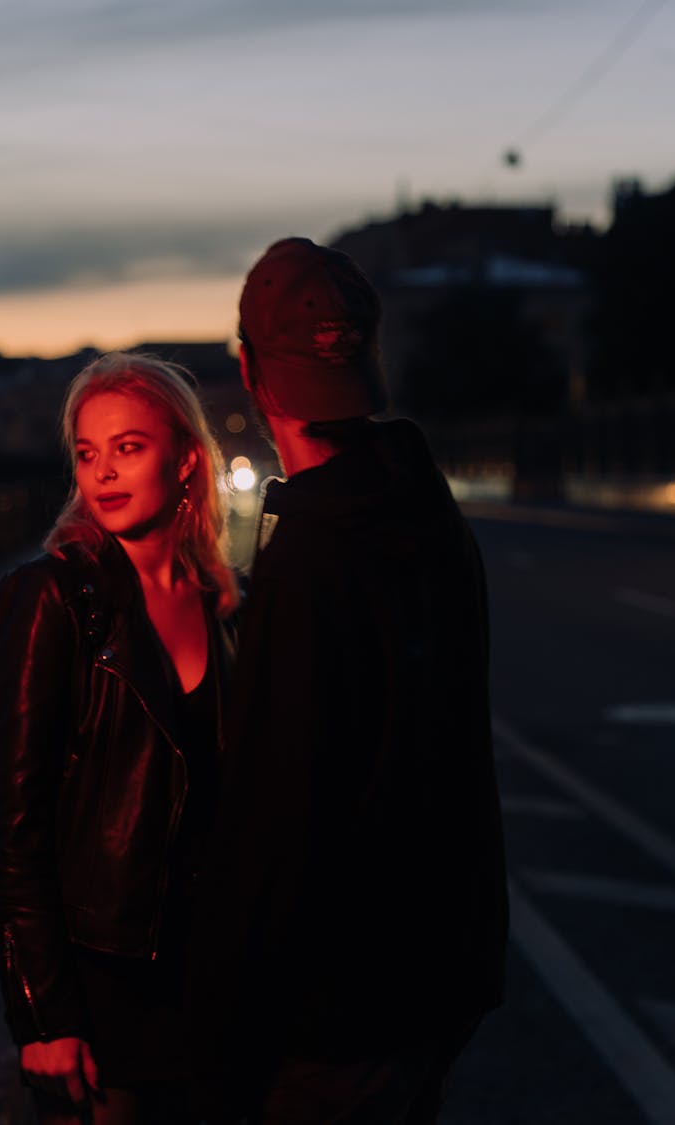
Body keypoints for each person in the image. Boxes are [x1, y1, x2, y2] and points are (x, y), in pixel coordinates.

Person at [190, 238, 509, 1123]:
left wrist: (221, 1024)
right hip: (442, 970)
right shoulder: (430, 514)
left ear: (251, 372)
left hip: (334, 1008)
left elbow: (278, 814)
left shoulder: (312, 558)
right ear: (369, 360)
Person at [0, 352, 239, 1125]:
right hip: (100, 987)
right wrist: (43, 1014)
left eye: (128, 447)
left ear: (185, 458)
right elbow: (13, 828)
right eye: (88, 453)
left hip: (208, 980)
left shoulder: (226, 607)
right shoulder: (52, 598)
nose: (104, 473)